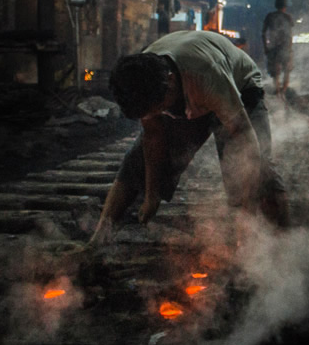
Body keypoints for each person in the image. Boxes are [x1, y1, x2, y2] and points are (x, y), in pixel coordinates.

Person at [89, 30, 289, 246]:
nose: (157, 114)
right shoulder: (143, 81)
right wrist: (152, 195)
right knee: (135, 163)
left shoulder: (206, 73)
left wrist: (246, 213)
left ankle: (281, 245)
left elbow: (245, 139)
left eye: (160, 108)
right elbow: (153, 137)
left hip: (240, 88)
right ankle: (98, 240)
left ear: (171, 82)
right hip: (193, 92)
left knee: (255, 170)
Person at [261, 0, 293, 96]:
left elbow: (263, 33)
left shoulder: (270, 16)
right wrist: (290, 48)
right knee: (286, 69)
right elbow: (290, 34)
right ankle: (283, 89)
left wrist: (265, 46)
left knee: (275, 70)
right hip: (284, 46)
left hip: (273, 46)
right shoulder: (288, 17)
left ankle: (278, 90)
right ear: (285, 6)